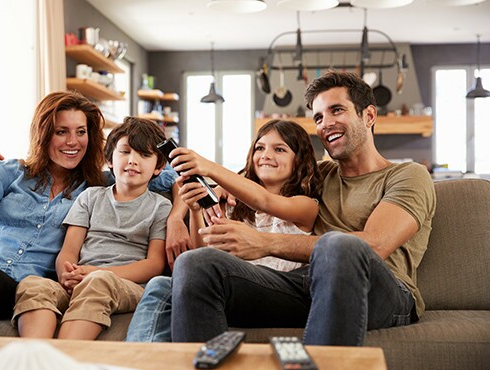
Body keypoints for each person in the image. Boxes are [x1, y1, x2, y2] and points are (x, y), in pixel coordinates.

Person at [169, 71, 436, 346]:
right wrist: (185, 212)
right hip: (308, 284)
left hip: (384, 291)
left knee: (339, 246)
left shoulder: (407, 175)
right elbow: (258, 183)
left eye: (337, 110)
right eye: (319, 117)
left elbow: (375, 245)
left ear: (368, 116)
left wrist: (265, 242)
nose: (326, 124)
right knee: (196, 264)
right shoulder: (319, 174)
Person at [0, 91, 187, 335]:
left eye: (81, 132)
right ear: (44, 134)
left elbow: (178, 174)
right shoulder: (13, 173)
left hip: (23, 291)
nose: (73, 141)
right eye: (62, 132)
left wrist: (176, 217)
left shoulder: (98, 185)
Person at [126, 119, 322, 342]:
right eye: (260, 148)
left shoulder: (306, 205)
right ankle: (140, 359)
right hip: (229, 290)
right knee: (161, 284)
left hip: (274, 292)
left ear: (299, 160)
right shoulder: (232, 205)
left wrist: (209, 168)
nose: (266, 155)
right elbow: (200, 258)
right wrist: (195, 210)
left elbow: (264, 200)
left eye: (279, 149)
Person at [13, 117, 171, 340]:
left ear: (159, 167)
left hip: (126, 285)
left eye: (144, 155)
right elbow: (69, 249)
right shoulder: (90, 197)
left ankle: (63, 364)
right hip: (81, 279)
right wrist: (66, 273)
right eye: (125, 152)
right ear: (109, 160)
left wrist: (98, 273)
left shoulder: (161, 206)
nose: (133, 161)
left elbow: (154, 265)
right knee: (33, 284)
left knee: (99, 282)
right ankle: (37, 359)